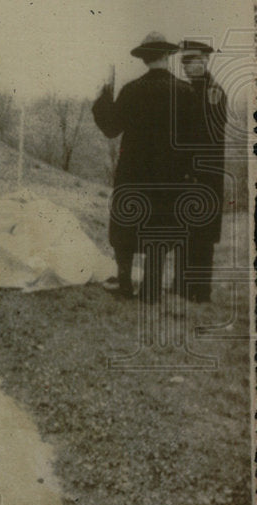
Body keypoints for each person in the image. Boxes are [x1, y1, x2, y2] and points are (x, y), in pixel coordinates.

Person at [92, 32, 195, 301]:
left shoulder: (131, 90)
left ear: (144, 58)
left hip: (133, 172)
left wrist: (103, 98)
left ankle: (124, 284)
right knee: (160, 225)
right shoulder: (185, 92)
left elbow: (111, 128)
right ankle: (151, 288)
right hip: (170, 175)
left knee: (126, 225)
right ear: (167, 56)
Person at [177, 41, 227, 302]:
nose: (186, 66)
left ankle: (199, 291)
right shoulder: (186, 90)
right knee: (185, 230)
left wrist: (193, 169)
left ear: (205, 60)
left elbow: (209, 138)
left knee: (202, 234)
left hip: (205, 174)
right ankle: (182, 286)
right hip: (188, 173)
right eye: (184, 62)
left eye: (192, 61)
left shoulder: (213, 92)